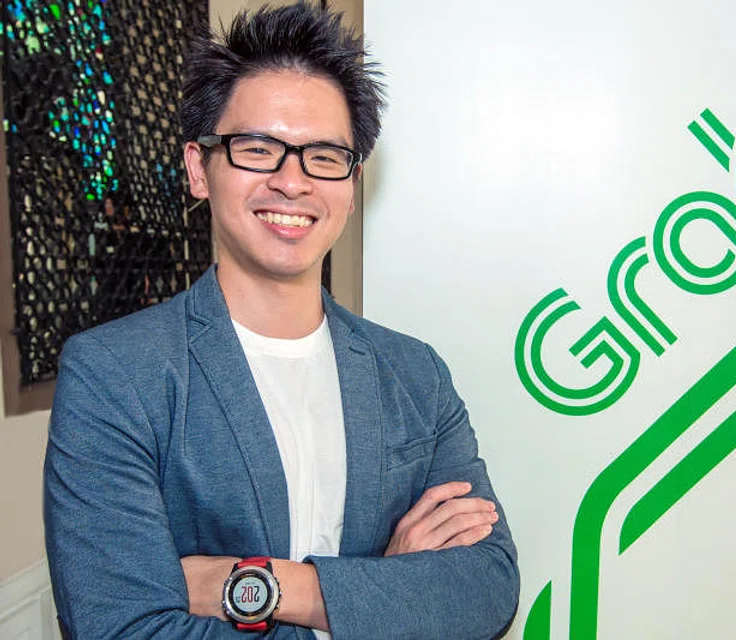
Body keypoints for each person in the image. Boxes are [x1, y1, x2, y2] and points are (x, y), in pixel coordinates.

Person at [43, 3, 520, 638]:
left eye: (324, 155)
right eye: (258, 149)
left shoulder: (414, 372)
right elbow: (123, 629)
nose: (292, 182)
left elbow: (487, 587)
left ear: (351, 185)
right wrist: (378, 593)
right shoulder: (114, 374)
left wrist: (265, 586)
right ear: (199, 168)